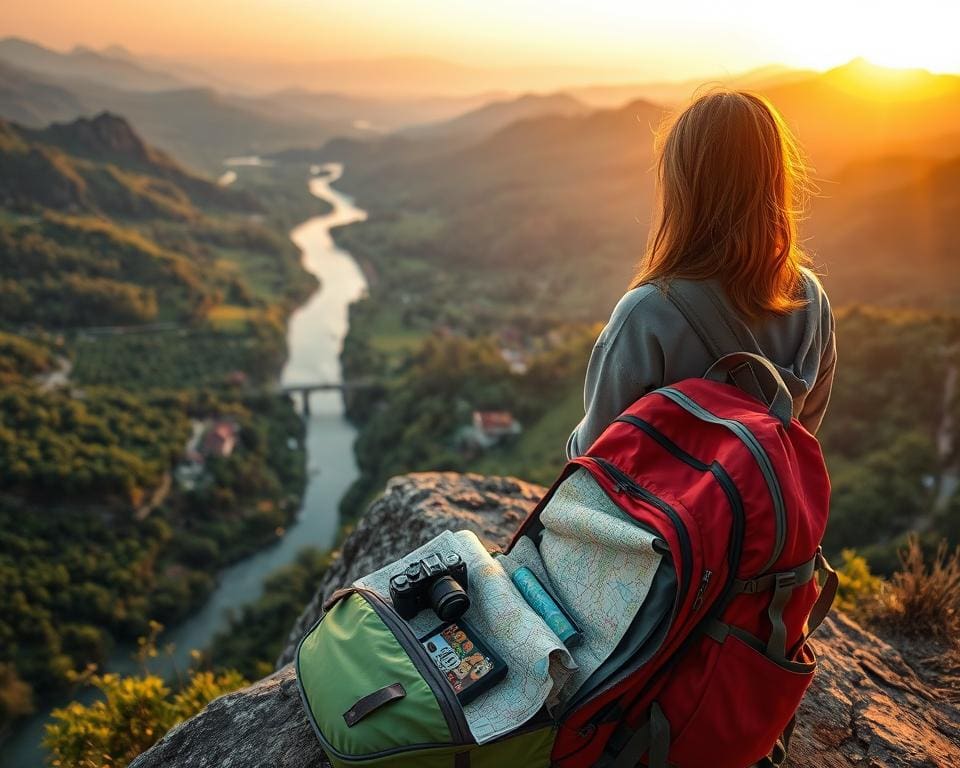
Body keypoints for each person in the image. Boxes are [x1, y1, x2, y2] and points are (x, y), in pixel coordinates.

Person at [567, 89, 836, 459]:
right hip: (754, 514)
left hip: (660, 517)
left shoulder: (647, 314)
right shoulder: (810, 300)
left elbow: (594, 454)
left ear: (683, 190)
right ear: (775, 180)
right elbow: (800, 435)